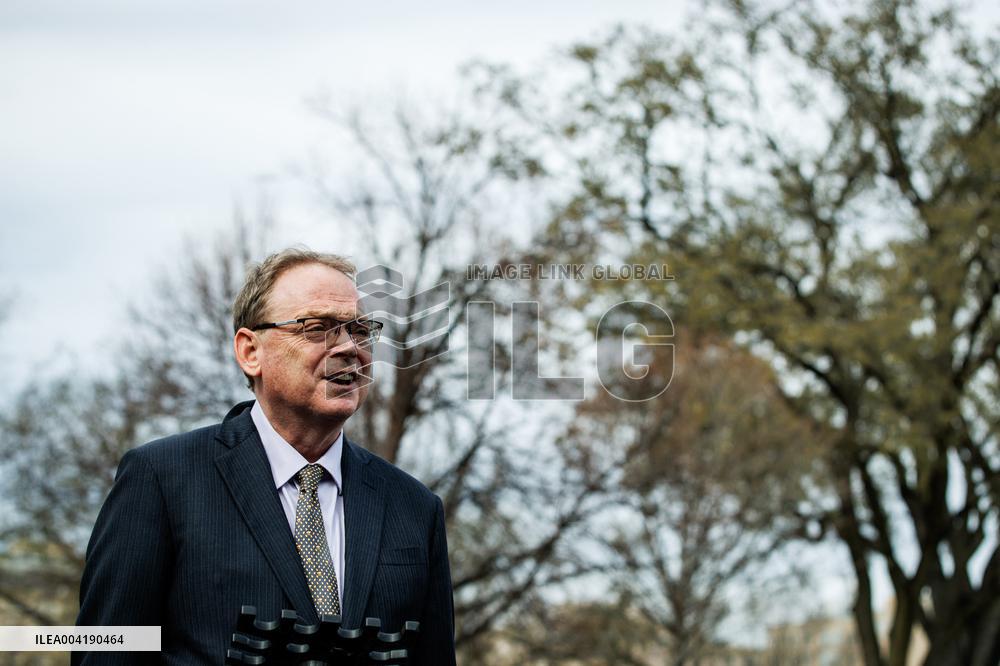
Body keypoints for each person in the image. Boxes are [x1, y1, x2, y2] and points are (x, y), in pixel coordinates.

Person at [74, 248, 456, 665]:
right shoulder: (162, 480)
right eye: (318, 328)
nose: (350, 347)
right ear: (250, 351)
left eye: (361, 330)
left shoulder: (415, 508)